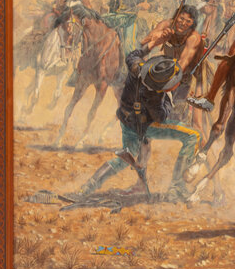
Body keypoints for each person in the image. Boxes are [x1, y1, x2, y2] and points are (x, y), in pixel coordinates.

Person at [74, 39, 202, 203]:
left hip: (127, 122)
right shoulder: (154, 96)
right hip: (146, 126)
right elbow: (161, 117)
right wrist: (170, 99)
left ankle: (86, 188)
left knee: (124, 159)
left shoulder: (137, 68)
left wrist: (150, 45)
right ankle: (176, 187)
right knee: (193, 136)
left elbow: (133, 55)